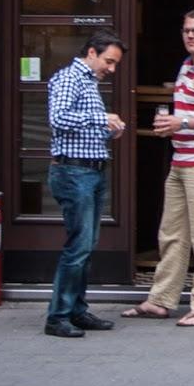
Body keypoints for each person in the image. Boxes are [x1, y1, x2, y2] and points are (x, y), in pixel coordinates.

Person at [123, 7, 194, 327]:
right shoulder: (188, 65)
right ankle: (161, 300)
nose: (190, 35)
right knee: (172, 234)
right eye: (187, 30)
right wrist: (174, 126)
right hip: (183, 160)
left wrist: (183, 120)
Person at [44, 30, 128, 338]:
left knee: (86, 246)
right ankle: (58, 316)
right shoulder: (70, 78)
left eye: (115, 63)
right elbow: (58, 119)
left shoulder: (89, 82)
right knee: (77, 248)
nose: (112, 69)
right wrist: (101, 119)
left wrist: (110, 131)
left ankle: (77, 311)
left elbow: (80, 128)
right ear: (91, 53)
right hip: (73, 173)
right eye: (109, 61)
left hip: (90, 171)